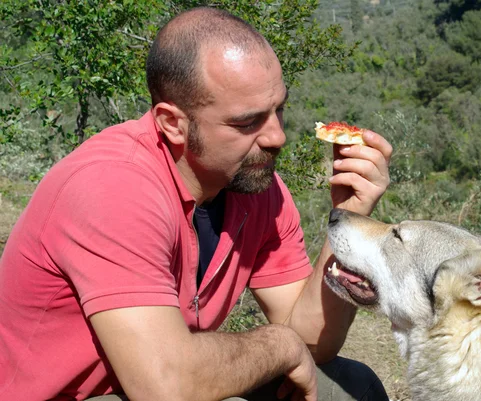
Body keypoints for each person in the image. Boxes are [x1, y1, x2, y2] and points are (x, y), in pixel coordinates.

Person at [0, 7, 392, 401]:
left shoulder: (255, 186)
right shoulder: (113, 185)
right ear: (172, 123)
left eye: (279, 110)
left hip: (152, 378)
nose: (277, 137)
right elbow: (165, 387)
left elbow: (311, 342)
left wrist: (351, 216)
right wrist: (282, 345)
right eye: (246, 122)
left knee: (351, 387)